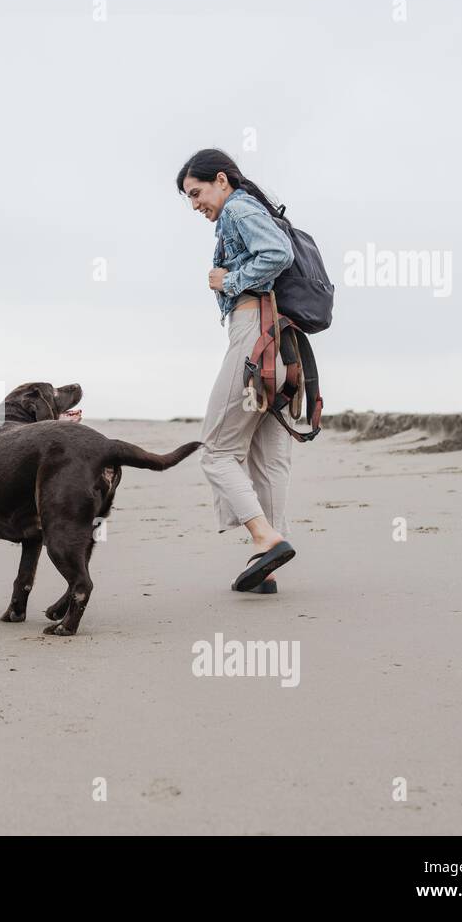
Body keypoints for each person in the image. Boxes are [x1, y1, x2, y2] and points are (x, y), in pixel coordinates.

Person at [177, 149, 297, 593]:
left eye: (197, 193)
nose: (195, 205)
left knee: (217, 451)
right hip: (280, 343)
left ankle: (266, 538)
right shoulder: (253, 207)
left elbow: (278, 253)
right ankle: (266, 564)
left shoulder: (239, 207)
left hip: (253, 336)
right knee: (269, 459)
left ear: (221, 180)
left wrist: (226, 281)